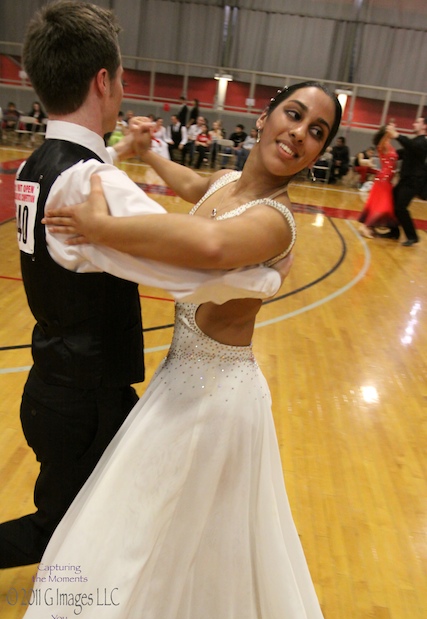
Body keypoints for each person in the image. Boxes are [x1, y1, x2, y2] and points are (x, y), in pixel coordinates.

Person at [14, 80, 341, 619]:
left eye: (317, 133)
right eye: (293, 115)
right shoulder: (228, 182)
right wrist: (148, 155)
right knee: (165, 537)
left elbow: (208, 245)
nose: (299, 135)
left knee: (147, 535)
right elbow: (193, 185)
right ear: (263, 118)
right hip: (179, 387)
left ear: (319, 153)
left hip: (216, 400)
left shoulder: (274, 220)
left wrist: (104, 229)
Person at [1, 0, 284, 570]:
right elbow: (189, 269)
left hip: (54, 381)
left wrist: (125, 151)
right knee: (75, 532)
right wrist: (268, 272)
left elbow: (84, 183)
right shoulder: (91, 182)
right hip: (87, 397)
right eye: (124, 79)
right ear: (102, 80)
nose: (125, 90)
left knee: (85, 522)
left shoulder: (37, 165)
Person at [386, 117, 427, 245]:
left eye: (417, 122)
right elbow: (403, 152)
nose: (414, 123)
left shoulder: (423, 142)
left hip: (414, 181)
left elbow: (411, 146)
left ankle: (413, 236)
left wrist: (396, 135)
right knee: (391, 203)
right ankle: (394, 232)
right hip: (405, 180)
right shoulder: (415, 141)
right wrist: (388, 152)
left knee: (400, 207)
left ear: (424, 126)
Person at [358, 127, 398, 238]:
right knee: (383, 207)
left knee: (378, 205)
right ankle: (366, 226)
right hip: (383, 180)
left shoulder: (389, 144)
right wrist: (388, 132)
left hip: (387, 180)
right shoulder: (382, 145)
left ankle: (367, 227)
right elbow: (382, 143)